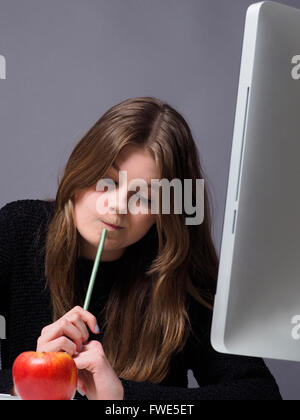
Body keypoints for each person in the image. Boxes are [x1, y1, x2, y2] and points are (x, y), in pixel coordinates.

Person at [0, 97, 282, 400]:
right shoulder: (18, 230)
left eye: (145, 198)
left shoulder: (180, 273)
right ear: (80, 168)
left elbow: (260, 393)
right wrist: (29, 382)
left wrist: (124, 399)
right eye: (105, 181)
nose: (117, 206)